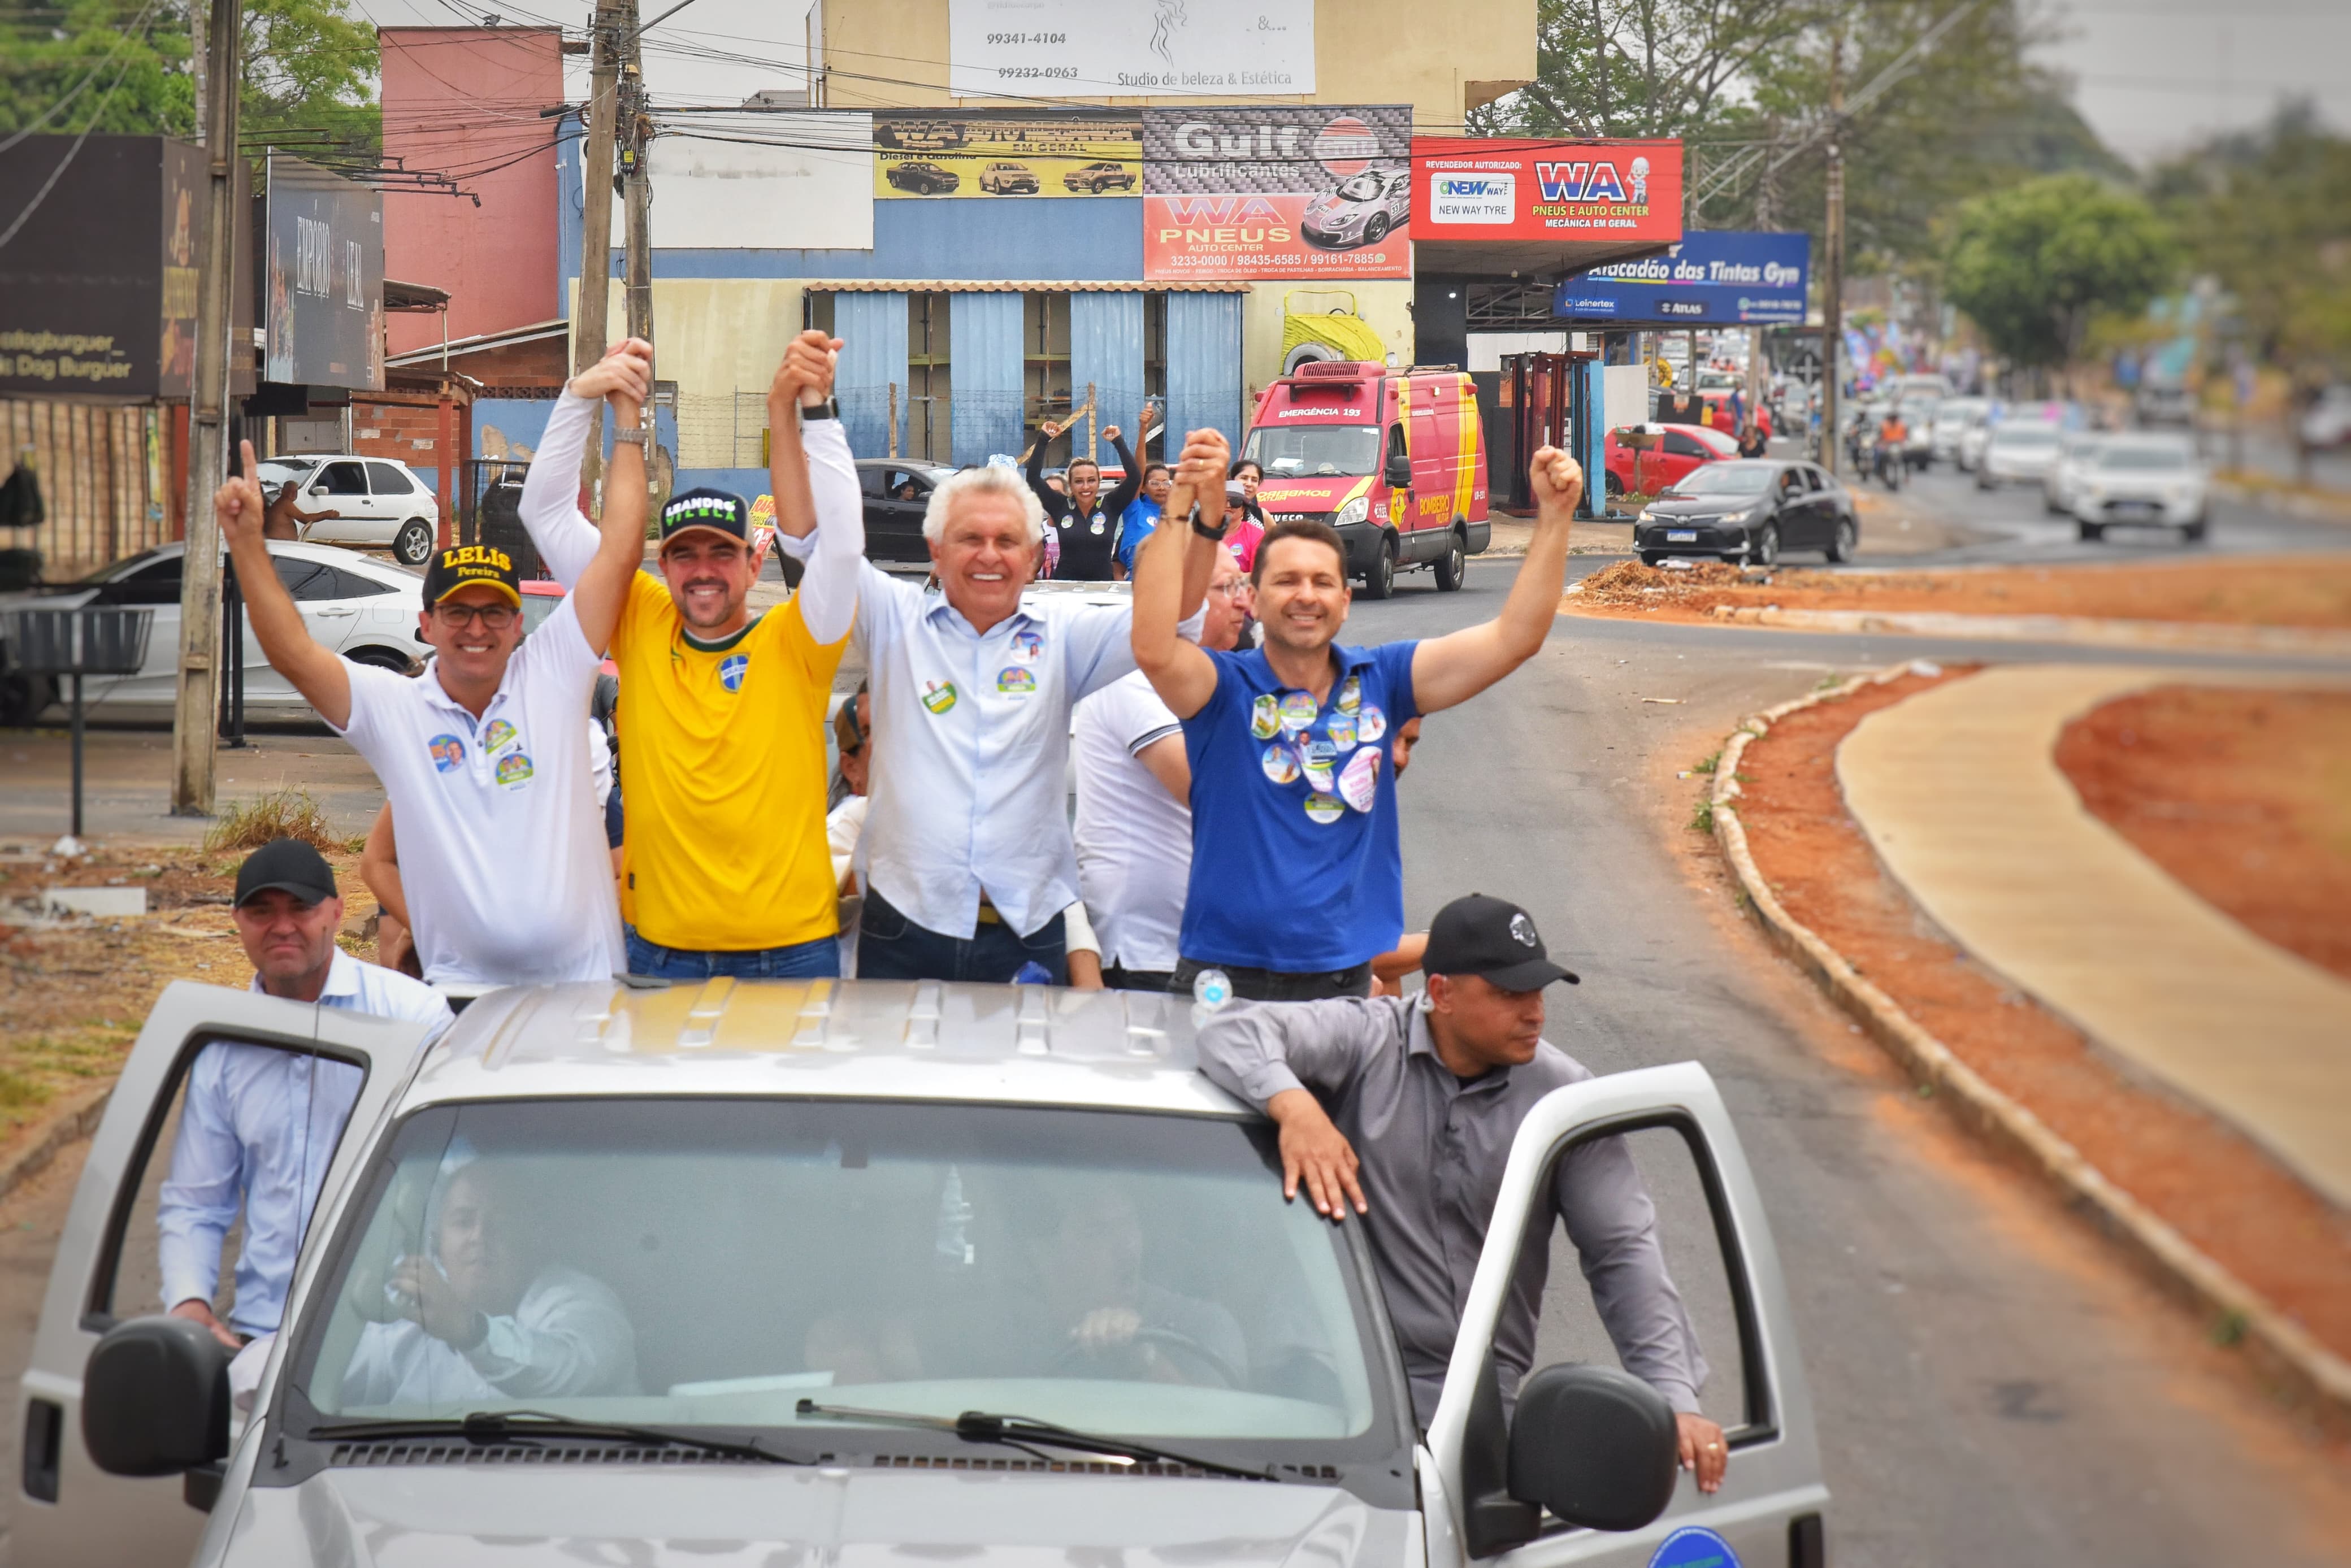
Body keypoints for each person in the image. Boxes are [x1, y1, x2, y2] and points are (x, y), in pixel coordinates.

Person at [1194, 893, 1728, 1492]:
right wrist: (1296, 1109)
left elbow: (1622, 1251)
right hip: (1326, 1386)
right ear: (1441, 994)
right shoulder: (1367, 1041)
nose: (1534, 1014)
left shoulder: (1563, 1101)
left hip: (1471, 1402)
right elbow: (1232, 1028)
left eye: (1538, 992)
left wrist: (1672, 1396)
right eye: (1509, 994)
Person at [216, 347, 651, 987]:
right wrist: (249, 546)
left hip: (582, 991)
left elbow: (618, 552)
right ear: (425, 625)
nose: (476, 629)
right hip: (455, 999)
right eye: (457, 613)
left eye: (494, 613)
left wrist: (621, 421)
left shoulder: (554, 674)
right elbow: (294, 654)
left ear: (517, 625)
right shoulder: (396, 710)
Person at [1129, 431, 1583, 1002]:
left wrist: (1555, 516)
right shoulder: (1221, 690)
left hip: (1343, 983)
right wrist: (1181, 500)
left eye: (1322, 581)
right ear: (1254, 597)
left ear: (1345, 600)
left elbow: (1514, 638)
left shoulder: (1383, 680)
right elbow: (1151, 644)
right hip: (1224, 980)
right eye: (1286, 581)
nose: (1306, 595)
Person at [783, 451, 1217, 985]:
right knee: (894, 1071)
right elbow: (811, 541)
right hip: (903, 931)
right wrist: (792, 414)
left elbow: (1180, 618)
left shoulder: (1064, 636)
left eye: (1007, 541)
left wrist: (1196, 515)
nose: (989, 555)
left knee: (1026, 1071)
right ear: (935, 552)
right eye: (971, 539)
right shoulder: (893, 620)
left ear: (1034, 556)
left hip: (1028, 933)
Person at [517, 331, 861, 980]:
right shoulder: (638, 617)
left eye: (720, 553)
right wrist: (578, 399)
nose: (703, 572)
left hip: (789, 951)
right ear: (662, 563)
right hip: (661, 951)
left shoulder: (797, 640)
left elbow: (838, 549)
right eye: (684, 554)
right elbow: (547, 512)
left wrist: (810, 409)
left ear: (754, 560)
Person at [159, 839, 452, 1350]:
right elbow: (196, 1201)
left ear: (337, 912)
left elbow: (459, 1169)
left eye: (301, 907)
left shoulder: (414, 1019)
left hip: (403, 1331)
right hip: (268, 1331)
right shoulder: (223, 1050)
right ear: (237, 920)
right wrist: (189, 1304)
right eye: (261, 911)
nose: (282, 926)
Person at [1072, 546, 1252, 992]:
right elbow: (1207, 787)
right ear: (1179, 598)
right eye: (1226, 588)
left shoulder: (1220, 675)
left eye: (1243, 584)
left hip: (1208, 946)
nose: (1245, 601)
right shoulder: (1130, 674)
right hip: (1146, 953)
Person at [338, 1156, 638, 1406]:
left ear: (530, 1239)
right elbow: (323, 1403)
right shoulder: (402, 1323)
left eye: (501, 1222)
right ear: (437, 1243)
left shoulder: (584, 1303)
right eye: (463, 1221)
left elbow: (565, 1371)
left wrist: (469, 1331)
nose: (479, 1236)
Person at [1025, 416, 1142, 581]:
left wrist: (1118, 441)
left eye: (1091, 481)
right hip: (1065, 590)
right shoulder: (1059, 505)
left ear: (1099, 483)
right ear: (1071, 485)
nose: (1085, 487)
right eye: (1079, 481)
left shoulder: (1111, 504)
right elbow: (1033, 479)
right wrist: (1044, 438)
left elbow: (1135, 478)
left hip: (1103, 590)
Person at [1114, 461, 1173, 579]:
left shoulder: (1177, 517)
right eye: (1155, 483)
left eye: (1166, 483)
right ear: (1143, 488)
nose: (1161, 488)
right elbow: (1137, 471)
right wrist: (1141, 442)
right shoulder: (1135, 510)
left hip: (1169, 589)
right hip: (1138, 589)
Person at [263, 477, 338, 542]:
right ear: (283, 491)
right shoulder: (284, 502)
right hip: (279, 546)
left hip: (282, 545)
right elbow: (305, 519)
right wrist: (326, 514)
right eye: (291, 491)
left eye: (296, 491)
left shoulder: (283, 503)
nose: (294, 494)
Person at [1217, 480, 1265, 573]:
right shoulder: (1203, 535)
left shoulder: (1257, 536)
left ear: (1243, 509)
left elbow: (1258, 576)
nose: (1228, 506)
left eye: (1235, 502)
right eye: (1223, 501)